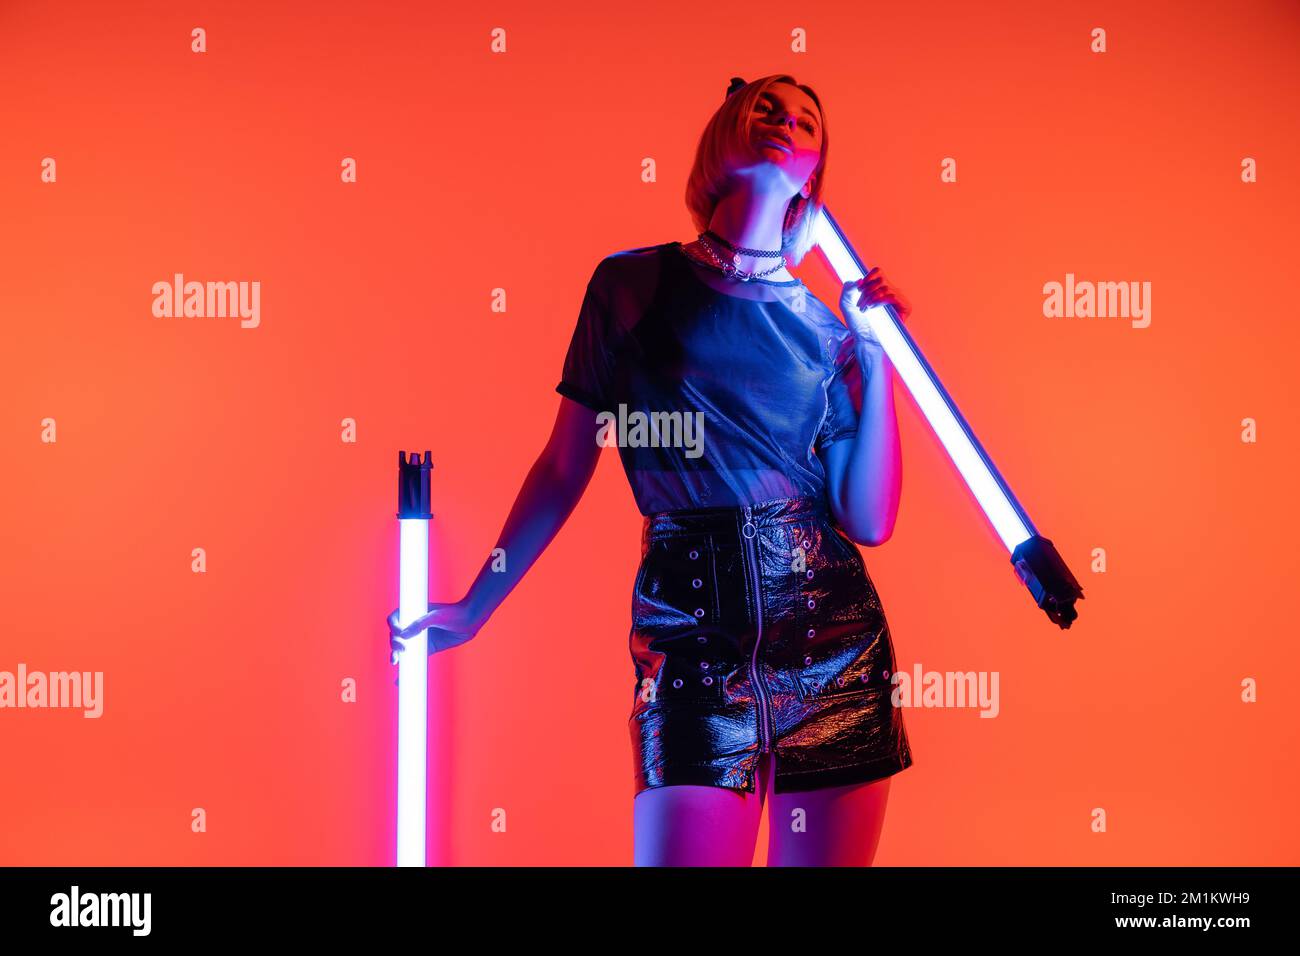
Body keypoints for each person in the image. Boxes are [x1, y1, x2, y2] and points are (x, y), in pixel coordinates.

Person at [388, 74, 915, 866]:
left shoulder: (825, 328)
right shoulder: (629, 287)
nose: (783, 120)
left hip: (832, 640)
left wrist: (876, 358)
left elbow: (869, 519)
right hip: (690, 635)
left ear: (816, 171)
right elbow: (566, 465)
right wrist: (476, 604)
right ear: (722, 136)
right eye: (764, 106)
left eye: (805, 119)